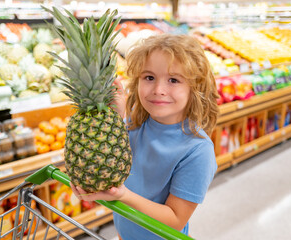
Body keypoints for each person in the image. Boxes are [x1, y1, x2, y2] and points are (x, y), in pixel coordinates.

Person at [71, 33, 220, 239]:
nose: (159, 90)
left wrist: (124, 196)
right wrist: (114, 117)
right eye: (149, 77)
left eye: (174, 80)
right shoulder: (134, 124)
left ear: (196, 87)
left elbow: (175, 220)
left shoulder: (197, 150)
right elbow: (110, 161)